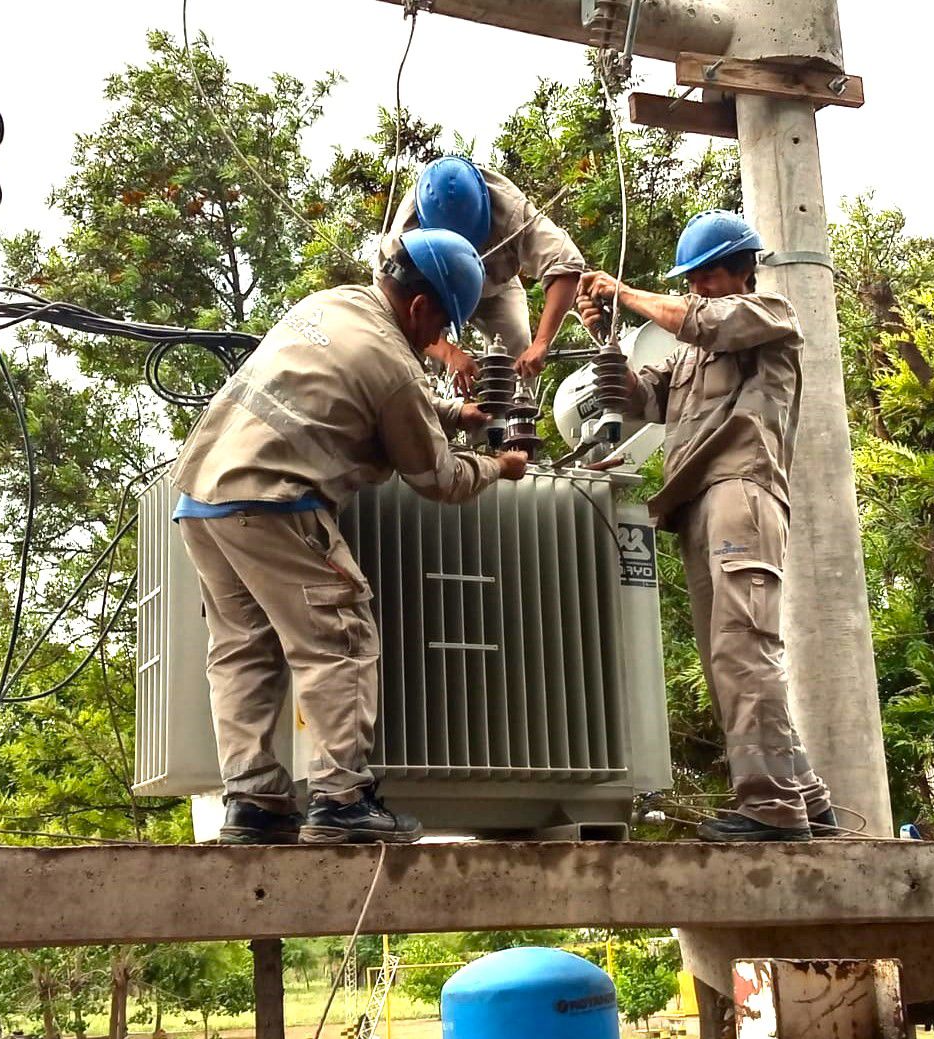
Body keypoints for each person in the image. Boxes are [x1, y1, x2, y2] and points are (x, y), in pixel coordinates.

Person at [171, 227, 529, 846]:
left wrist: (451, 415)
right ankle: (342, 800)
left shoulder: (331, 304)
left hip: (203, 497)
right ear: (420, 306)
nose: (437, 338)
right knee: (340, 635)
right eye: (441, 323)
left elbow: (359, 388)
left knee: (242, 651)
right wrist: (499, 466)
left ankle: (254, 801)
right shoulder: (391, 362)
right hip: (274, 500)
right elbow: (436, 477)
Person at [576, 210, 836, 843]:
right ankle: (805, 797)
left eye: (709, 275)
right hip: (696, 502)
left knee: (742, 647)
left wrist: (623, 292)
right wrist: (604, 340)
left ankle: (771, 807)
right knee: (728, 655)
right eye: (692, 279)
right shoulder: (694, 352)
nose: (699, 288)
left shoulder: (767, 314)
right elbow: (644, 398)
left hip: (741, 488)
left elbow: (705, 322)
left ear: (744, 271)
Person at [377, 156, 585, 386]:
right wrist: (449, 353)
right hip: (433, 299)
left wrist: (541, 343)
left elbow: (566, 263)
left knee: (515, 342)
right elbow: (393, 309)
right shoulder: (402, 236)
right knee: (414, 361)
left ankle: (513, 417)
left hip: (495, 290)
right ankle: (427, 415)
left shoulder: (510, 209)